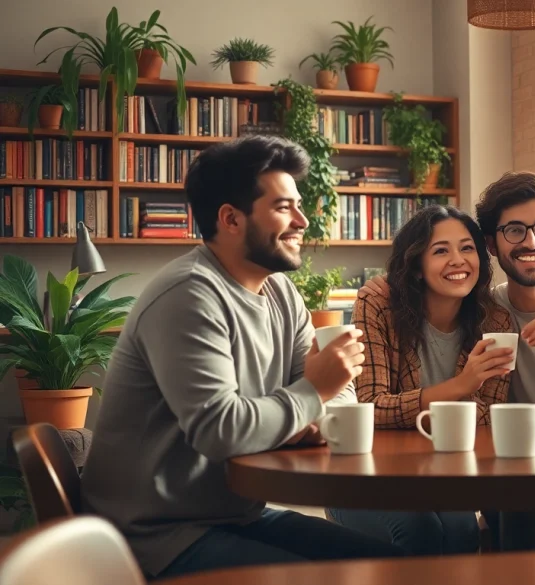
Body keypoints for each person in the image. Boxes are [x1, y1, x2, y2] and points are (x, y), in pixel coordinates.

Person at [79, 135, 402, 581]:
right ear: (231, 218)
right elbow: (221, 430)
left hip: (233, 516)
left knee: (394, 568)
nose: (303, 221)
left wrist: (308, 409)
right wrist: (312, 391)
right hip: (155, 537)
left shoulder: (281, 292)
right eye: (284, 207)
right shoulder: (189, 296)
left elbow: (339, 396)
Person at [361, 170, 535, 550]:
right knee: (506, 506)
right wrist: (391, 283)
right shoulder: (486, 311)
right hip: (518, 472)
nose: (531, 241)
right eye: (514, 230)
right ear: (492, 245)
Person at [327, 204, 514, 555]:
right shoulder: (378, 302)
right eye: (441, 250)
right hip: (366, 479)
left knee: (462, 529)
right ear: (415, 265)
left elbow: (489, 417)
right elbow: (370, 407)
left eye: (467, 248)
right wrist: (461, 386)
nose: (458, 260)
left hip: (446, 477)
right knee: (419, 530)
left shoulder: (496, 322)